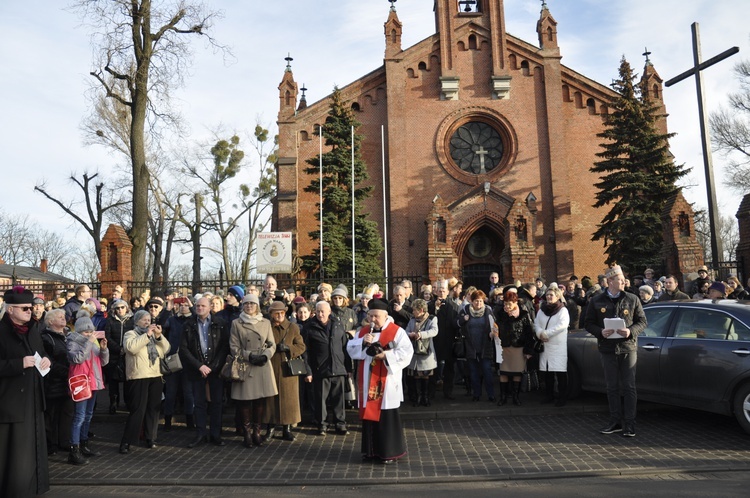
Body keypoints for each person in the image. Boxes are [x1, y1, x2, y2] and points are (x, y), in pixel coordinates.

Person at [347, 299, 413, 464]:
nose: (373, 320)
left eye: (376, 316)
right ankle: (371, 451)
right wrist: (362, 342)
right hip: (368, 379)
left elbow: (407, 352)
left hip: (387, 381)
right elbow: (350, 348)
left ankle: (388, 452)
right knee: (370, 417)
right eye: (370, 316)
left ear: (385, 316)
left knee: (386, 417)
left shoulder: (396, 331)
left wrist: (386, 356)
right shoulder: (363, 332)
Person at [584, 265, 647, 438]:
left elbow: (642, 321)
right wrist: (599, 332)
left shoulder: (632, 298)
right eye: (619, 280)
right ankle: (615, 421)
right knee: (611, 387)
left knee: (629, 387)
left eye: (623, 279)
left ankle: (630, 423)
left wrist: (631, 331)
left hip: (628, 348)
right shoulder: (596, 300)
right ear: (610, 281)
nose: (623, 282)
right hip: (607, 349)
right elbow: (588, 323)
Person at [0, 287, 51, 497]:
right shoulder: (1, 331)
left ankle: (31, 488)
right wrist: (18, 363)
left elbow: (42, 354)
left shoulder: (33, 329)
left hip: (33, 400)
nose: (30, 311)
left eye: (32, 308)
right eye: (25, 308)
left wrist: (48, 361)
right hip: (10, 401)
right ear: (10, 309)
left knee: (32, 450)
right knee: (12, 453)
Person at [180, 297, 229, 447]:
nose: (199, 308)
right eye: (197, 306)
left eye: (203, 306)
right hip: (196, 370)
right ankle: (200, 433)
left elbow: (224, 347)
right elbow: (183, 349)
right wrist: (199, 366)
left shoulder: (220, 324)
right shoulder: (188, 324)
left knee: (216, 403)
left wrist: (213, 367)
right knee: (199, 403)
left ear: (209, 308)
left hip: (215, 370)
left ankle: (215, 434)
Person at [231, 294, 277, 448]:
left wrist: (265, 356)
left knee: (260, 401)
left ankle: (257, 432)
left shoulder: (265, 323)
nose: (249, 306)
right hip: (246, 365)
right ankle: (247, 433)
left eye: (252, 303)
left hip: (262, 365)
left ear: (257, 305)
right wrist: (248, 356)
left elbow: (272, 344)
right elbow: (233, 347)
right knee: (245, 401)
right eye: (246, 304)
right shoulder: (236, 323)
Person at [119, 309, 169, 454]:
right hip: (139, 376)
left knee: (153, 409)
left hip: (155, 375)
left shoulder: (154, 335)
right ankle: (127, 441)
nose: (148, 322)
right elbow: (131, 348)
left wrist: (159, 336)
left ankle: (150, 437)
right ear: (137, 321)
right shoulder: (130, 334)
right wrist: (147, 335)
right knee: (138, 410)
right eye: (144, 320)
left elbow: (166, 349)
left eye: (149, 320)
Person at [303, 300, 351, 436]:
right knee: (320, 400)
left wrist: (348, 368)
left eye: (323, 311)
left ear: (329, 312)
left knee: (339, 399)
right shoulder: (309, 327)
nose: (320, 314)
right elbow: (305, 352)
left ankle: (340, 424)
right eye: (317, 311)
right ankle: (322, 424)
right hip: (320, 370)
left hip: (338, 368)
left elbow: (345, 348)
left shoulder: (338, 325)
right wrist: (308, 371)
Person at [66, 316, 109, 465]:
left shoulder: (93, 342)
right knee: (79, 416)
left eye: (91, 331)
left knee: (88, 415)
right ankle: (74, 449)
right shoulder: (72, 341)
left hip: (94, 382)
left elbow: (103, 361)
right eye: (86, 332)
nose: (89, 334)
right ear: (79, 331)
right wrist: (89, 343)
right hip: (81, 383)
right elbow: (77, 359)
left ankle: (84, 443)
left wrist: (104, 349)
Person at [264, 301, 306, 442]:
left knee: (289, 400)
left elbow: (301, 346)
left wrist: (289, 348)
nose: (280, 315)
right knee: (270, 399)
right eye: (276, 313)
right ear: (271, 314)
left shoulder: (293, 327)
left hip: (288, 368)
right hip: (270, 366)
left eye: (282, 313)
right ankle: (270, 427)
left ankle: (287, 429)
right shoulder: (266, 327)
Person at [41, 309, 74, 456]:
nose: (63, 318)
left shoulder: (68, 336)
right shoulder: (46, 338)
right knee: (52, 415)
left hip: (68, 383)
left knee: (67, 412)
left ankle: (64, 441)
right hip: (53, 383)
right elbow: (48, 361)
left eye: (63, 316)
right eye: (59, 317)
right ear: (50, 321)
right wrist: (67, 372)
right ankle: (51, 444)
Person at [458, 290, 498, 402]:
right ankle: (476, 394)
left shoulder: (488, 310)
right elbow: (457, 323)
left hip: (485, 346)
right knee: (474, 372)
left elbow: (494, 325)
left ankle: (491, 394)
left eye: (480, 301)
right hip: (471, 347)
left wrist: (492, 333)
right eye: (476, 301)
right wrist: (463, 319)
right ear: (471, 301)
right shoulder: (466, 310)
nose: (478, 304)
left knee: (487, 371)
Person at [496, 291, 534, 406]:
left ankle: (515, 397)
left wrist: (528, 350)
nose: (507, 306)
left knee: (517, 374)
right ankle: (503, 397)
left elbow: (529, 333)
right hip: (504, 348)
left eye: (509, 304)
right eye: (505, 304)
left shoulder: (523, 314)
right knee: (503, 373)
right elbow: (496, 328)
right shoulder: (500, 314)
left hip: (518, 348)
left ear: (515, 302)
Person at [534, 285, 570, 407]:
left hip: (557, 345)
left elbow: (562, 325)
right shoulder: (541, 310)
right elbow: (536, 323)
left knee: (560, 372)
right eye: (547, 295)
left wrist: (546, 333)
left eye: (551, 295)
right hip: (545, 344)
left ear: (557, 296)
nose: (549, 297)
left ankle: (562, 397)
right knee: (547, 372)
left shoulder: (562, 310)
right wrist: (539, 333)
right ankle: (549, 395)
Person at [404, 299, 438, 407]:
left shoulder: (432, 319)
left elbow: (434, 331)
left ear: (421, 310)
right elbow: (406, 330)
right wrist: (410, 334)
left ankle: (425, 397)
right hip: (414, 352)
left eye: (415, 310)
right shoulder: (412, 320)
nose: (413, 312)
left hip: (426, 352)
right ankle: (417, 397)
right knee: (415, 377)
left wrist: (421, 335)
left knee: (425, 376)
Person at [431, 279, 460, 400]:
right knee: (433, 368)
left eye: (444, 290)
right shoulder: (430, 305)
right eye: (439, 290)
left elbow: (457, 323)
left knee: (449, 369)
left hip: (449, 341)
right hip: (435, 342)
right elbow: (428, 319)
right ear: (436, 291)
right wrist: (436, 309)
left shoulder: (454, 306)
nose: (441, 292)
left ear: (448, 291)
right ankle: (431, 393)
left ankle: (448, 392)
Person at [104, 299, 133, 414]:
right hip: (114, 354)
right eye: (117, 308)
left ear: (126, 308)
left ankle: (128, 402)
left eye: (122, 307)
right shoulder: (110, 321)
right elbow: (107, 337)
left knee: (127, 380)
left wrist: (126, 348)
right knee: (113, 381)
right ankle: (113, 403)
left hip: (127, 353)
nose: (120, 310)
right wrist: (118, 348)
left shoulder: (132, 320)